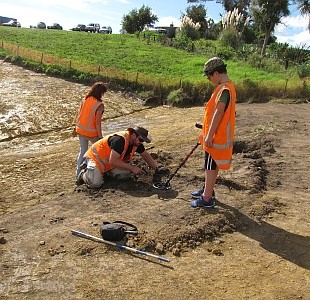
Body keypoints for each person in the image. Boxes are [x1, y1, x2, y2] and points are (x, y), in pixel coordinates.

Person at [190, 57, 236, 208]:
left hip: (216, 136)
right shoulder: (225, 87)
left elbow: (219, 112)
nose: (209, 79)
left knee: (210, 167)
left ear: (216, 73)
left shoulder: (224, 89)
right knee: (211, 165)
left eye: (209, 76)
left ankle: (207, 198)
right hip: (216, 134)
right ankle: (207, 189)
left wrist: (209, 134)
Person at [76, 126, 158, 189]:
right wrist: (132, 168)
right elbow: (113, 161)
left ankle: (105, 173)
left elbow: (145, 155)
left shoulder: (136, 143)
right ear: (133, 135)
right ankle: (83, 174)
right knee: (95, 184)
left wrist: (156, 169)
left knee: (125, 175)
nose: (141, 142)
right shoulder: (120, 140)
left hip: (109, 163)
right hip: (96, 159)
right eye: (140, 140)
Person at [74, 82, 107, 178]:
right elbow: (97, 123)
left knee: (82, 151)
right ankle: (87, 168)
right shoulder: (99, 105)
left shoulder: (85, 99)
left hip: (80, 130)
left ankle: (78, 174)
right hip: (92, 133)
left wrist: (75, 128)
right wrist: (100, 137)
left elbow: (80, 114)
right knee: (96, 152)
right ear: (101, 93)